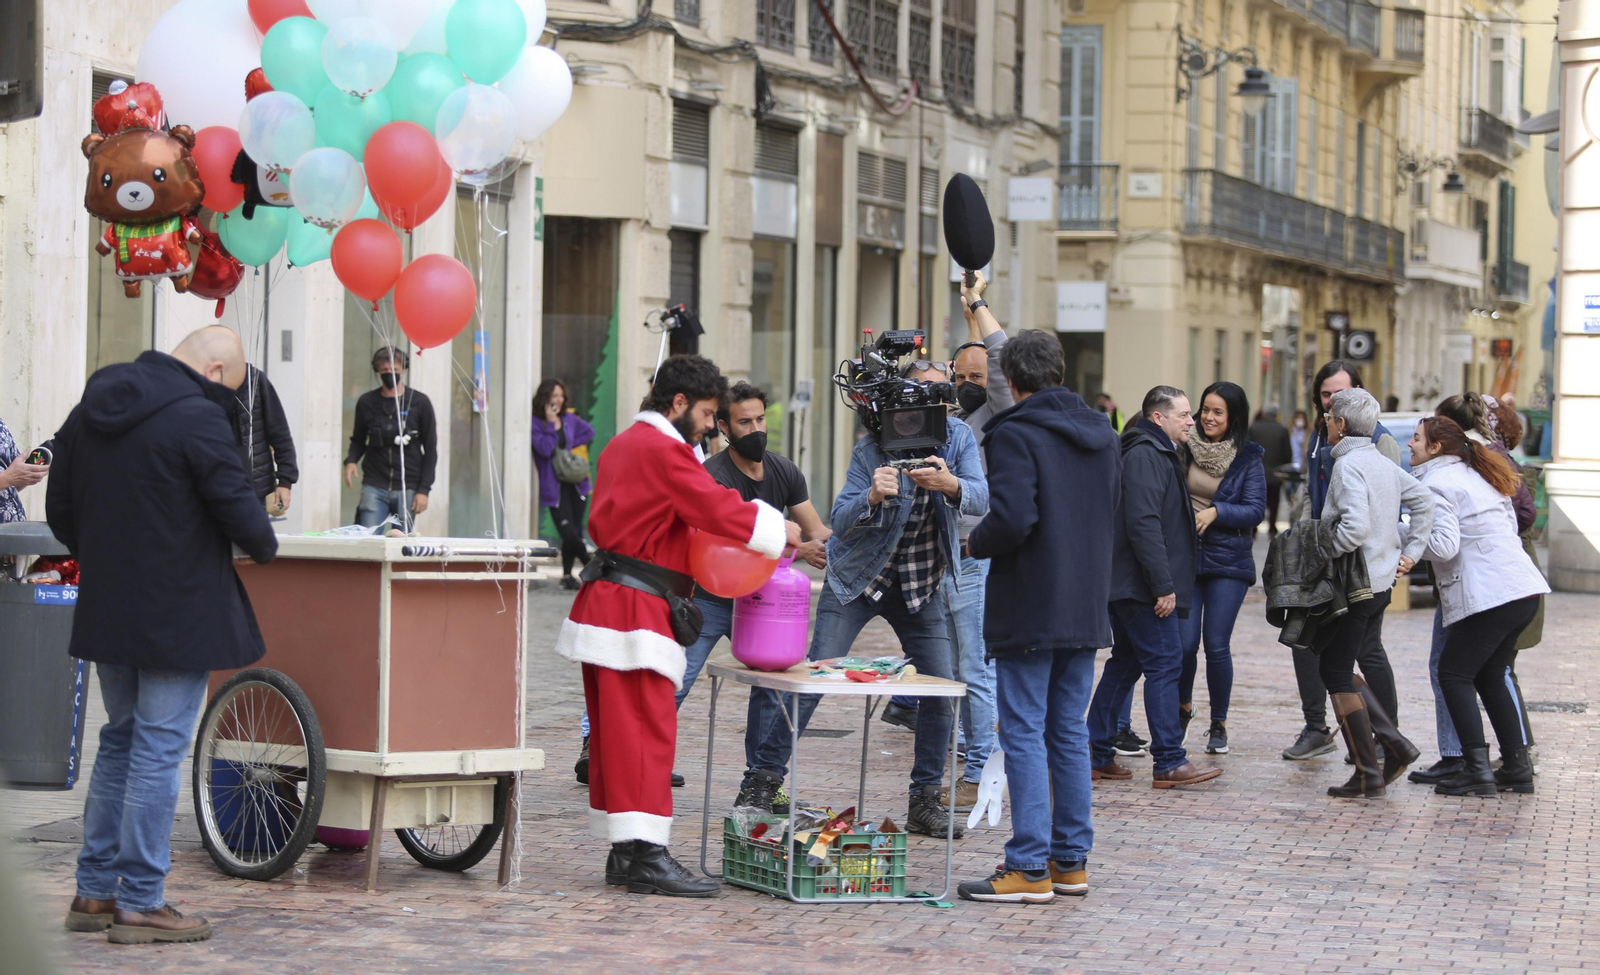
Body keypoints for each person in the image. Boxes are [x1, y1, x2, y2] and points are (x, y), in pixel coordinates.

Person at [45, 326, 278, 944]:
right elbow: (241, 511)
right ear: (219, 368)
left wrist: (98, 558)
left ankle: (94, 893)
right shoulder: (195, 417)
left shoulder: (89, 406)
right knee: (154, 751)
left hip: (108, 605)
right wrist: (263, 541)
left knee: (121, 741)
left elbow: (59, 507)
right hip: (178, 608)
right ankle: (142, 900)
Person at [555, 355, 798, 897]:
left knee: (619, 736)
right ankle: (648, 856)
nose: (712, 425)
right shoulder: (664, 450)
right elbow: (715, 506)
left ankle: (626, 852)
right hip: (635, 610)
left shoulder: (623, 444)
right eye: (709, 413)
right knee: (647, 733)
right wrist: (778, 529)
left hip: (611, 601)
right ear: (680, 403)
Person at [738, 364, 989, 839]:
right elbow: (840, 517)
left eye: (925, 410)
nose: (914, 420)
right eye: (905, 413)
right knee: (811, 677)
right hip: (858, 578)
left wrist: (951, 485)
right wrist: (872, 496)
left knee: (943, 688)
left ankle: (924, 800)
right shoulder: (871, 446)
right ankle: (762, 783)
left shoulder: (955, 437)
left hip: (922, 582)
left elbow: (982, 498)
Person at [954, 331, 1119, 903]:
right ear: (1060, 372)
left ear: (1015, 383)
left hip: (1031, 599)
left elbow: (1013, 518)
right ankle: (1069, 860)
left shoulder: (1016, 434)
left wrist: (975, 544)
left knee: (1022, 730)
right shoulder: (1103, 433)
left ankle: (1027, 864)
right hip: (1085, 599)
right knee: (1068, 731)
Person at [1402, 416, 1548, 795]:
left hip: (1492, 594)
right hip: (1521, 589)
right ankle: (1516, 766)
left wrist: (1404, 534)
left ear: (1436, 448)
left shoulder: (1436, 483)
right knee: (1488, 674)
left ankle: (1476, 769)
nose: (1410, 445)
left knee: (1453, 675)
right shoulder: (1476, 475)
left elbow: (1445, 546)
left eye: (1416, 439)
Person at [1085, 386, 1220, 789]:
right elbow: (1143, 523)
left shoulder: (1154, 450)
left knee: (1127, 663)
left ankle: (1097, 752)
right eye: (1184, 415)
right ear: (1159, 418)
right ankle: (1169, 760)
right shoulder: (1145, 454)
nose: (1192, 421)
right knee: (1164, 664)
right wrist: (1163, 585)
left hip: (1132, 583)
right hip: (1140, 586)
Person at [1312, 388, 1431, 798]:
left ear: (1341, 425)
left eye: (1329, 417)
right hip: (1380, 582)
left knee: (1335, 671)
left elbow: (1355, 527)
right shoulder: (1380, 461)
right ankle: (1383, 756)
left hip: (1356, 584)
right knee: (1339, 667)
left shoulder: (1348, 465)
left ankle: (1379, 760)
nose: (1326, 423)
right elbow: (1423, 499)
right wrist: (1409, 552)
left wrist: (1322, 548)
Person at [1282, 361, 1403, 762]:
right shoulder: (1320, 434)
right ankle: (1318, 728)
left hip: (1360, 568)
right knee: (1303, 637)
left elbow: (1393, 504)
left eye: (1338, 394)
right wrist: (1302, 540)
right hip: (1322, 555)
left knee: (1366, 650)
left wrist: (1400, 554)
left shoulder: (1377, 442)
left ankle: (1385, 738)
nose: (1330, 402)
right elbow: (1308, 493)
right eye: (1324, 395)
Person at [928, 269, 1014, 811]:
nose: (968, 382)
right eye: (960, 374)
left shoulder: (1002, 411)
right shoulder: (953, 417)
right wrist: (967, 310)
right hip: (945, 554)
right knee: (960, 663)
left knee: (976, 667)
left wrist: (980, 304)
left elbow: (999, 359)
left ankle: (981, 766)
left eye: (976, 375)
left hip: (975, 554)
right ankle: (970, 749)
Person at [1178, 382, 1266, 756]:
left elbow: (1256, 510)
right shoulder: (1182, 448)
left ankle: (1219, 723)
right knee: (1183, 646)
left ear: (1232, 418)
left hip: (1228, 561)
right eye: (1205, 410)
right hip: (1185, 557)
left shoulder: (1248, 458)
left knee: (1216, 644)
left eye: (1218, 412)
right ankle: (1182, 709)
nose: (1209, 418)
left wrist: (1218, 512)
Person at [344, 347, 436, 530]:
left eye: (394, 370)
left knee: (401, 545)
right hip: (374, 483)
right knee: (368, 539)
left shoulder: (420, 402)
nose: (389, 374)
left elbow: (431, 449)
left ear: (403, 369)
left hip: (407, 485)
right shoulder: (366, 402)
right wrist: (351, 460)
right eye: (384, 370)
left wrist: (424, 490)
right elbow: (358, 439)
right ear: (377, 370)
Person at [530, 379, 595, 589]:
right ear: (545, 398)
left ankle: (567, 576)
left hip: (576, 483)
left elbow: (589, 432)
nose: (558, 400)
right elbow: (546, 450)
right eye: (554, 396)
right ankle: (593, 566)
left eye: (561, 395)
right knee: (568, 533)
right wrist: (550, 422)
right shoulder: (536, 423)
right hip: (554, 487)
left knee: (574, 531)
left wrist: (567, 448)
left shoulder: (568, 419)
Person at [232, 365, 297, 517]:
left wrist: (285, 482)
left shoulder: (254, 379)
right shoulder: (199, 378)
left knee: (251, 538)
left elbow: (280, 432)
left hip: (254, 488)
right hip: (211, 486)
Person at [1247, 407, 1292, 538]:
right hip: (1275, 474)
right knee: (1274, 503)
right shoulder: (1282, 430)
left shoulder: (1254, 427)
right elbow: (1287, 453)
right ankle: (1272, 528)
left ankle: (1253, 528)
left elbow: (1248, 448)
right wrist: (1285, 472)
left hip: (1256, 472)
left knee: (1255, 500)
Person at [0, 415, 49, 525]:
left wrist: (26, 474)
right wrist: (7, 478)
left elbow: (12, 483)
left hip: (12, 533)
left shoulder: (1, 426)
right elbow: (8, 477)